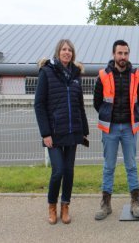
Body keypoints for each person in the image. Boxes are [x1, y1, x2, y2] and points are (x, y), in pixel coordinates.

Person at [34, 39, 89, 225]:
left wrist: (84, 130)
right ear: (58, 52)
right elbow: (39, 105)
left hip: (73, 131)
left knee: (69, 171)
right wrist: (45, 133)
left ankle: (65, 206)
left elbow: (79, 105)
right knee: (58, 171)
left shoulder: (75, 74)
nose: (67, 52)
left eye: (70, 50)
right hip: (54, 133)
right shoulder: (47, 72)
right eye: (64, 49)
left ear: (73, 54)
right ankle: (52, 207)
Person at [93, 40, 139, 220]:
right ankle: (105, 204)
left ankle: (135, 203)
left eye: (126, 53)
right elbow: (97, 102)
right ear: (113, 54)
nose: (123, 57)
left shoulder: (136, 75)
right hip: (111, 129)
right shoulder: (103, 75)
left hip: (129, 128)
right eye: (120, 53)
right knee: (108, 167)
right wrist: (109, 115)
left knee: (131, 166)